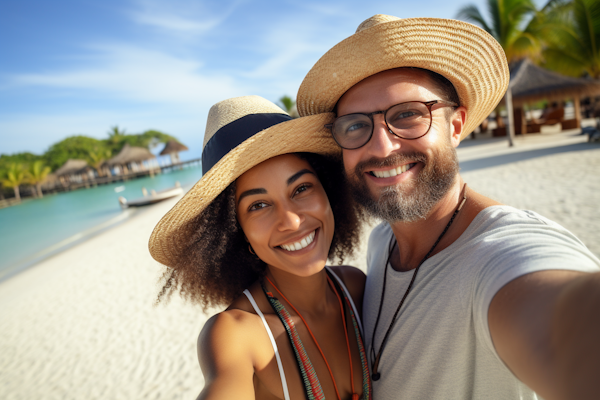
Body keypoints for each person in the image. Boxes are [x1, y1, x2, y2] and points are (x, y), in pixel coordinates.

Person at [295, 14, 600, 400]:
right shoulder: (381, 242)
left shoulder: (503, 253)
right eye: (355, 126)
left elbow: (564, 320)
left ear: (456, 126)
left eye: (407, 114)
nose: (382, 147)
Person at [148, 95, 372, 400]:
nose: (291, 221)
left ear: (329, 191)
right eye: (259, 205)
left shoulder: (356, 287)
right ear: (237, 233)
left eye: (302, 188)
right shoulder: (235, 335)